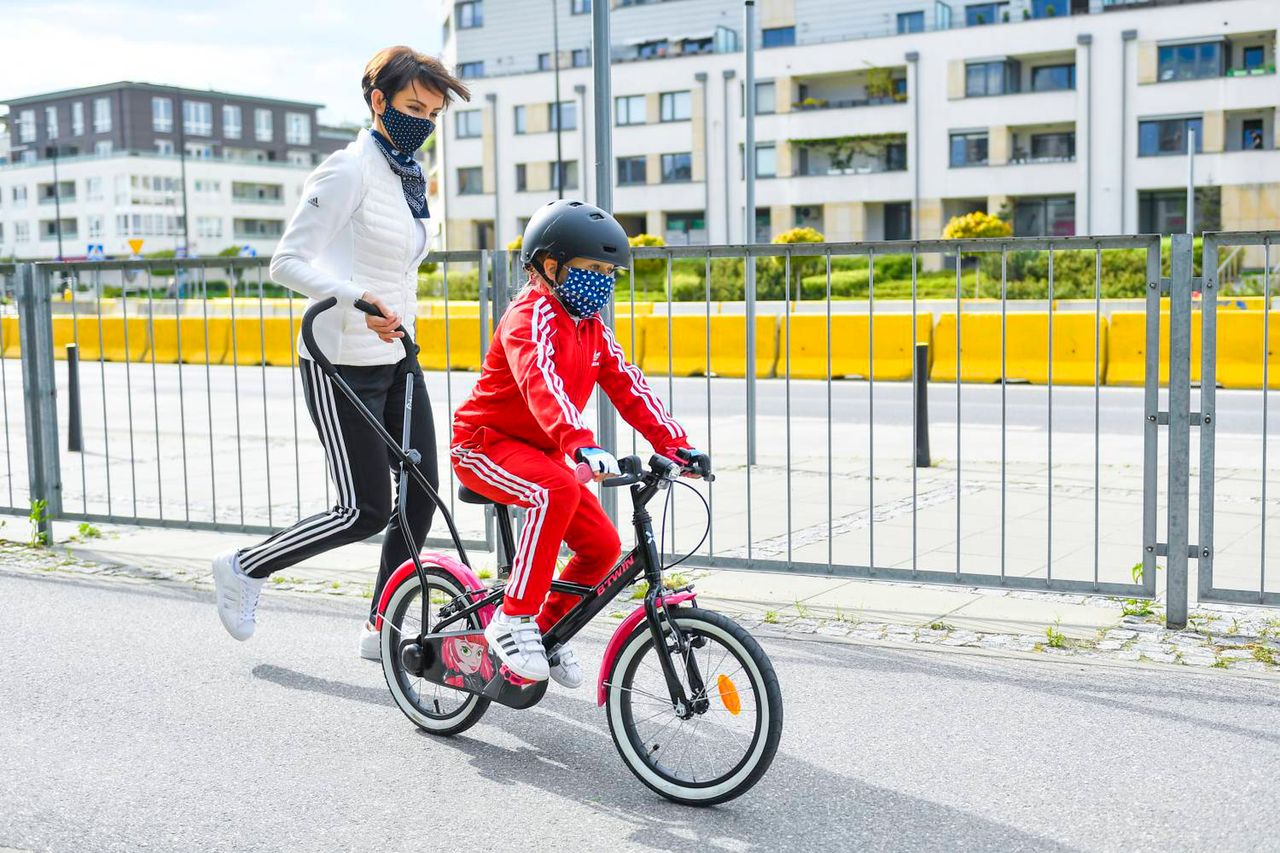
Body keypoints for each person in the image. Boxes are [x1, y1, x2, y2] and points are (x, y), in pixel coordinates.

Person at [210, 46, 470, 659]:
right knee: (366, 509)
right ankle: (243, 566)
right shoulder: (345, 170)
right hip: (339, 363)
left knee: (423, 492)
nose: (423, 123)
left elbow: (394, 263)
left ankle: (383, 626)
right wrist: (358, 300)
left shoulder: (410, 176)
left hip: (396, 356)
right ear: (378, 101)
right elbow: (286, 263)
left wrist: (393, 316)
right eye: (413, 107)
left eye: (433, 114)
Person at [450, 200, 710, 686]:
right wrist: (581, 444)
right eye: (591, 268)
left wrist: (676, 444)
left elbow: (629, 384)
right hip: (483, 446)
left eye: (610, 272)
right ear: (550, 266)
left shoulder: (591, 329)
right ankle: (513, 617)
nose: (603, 280)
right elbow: (539, 382)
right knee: (556, 489)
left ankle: (548, 635)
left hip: (542, 453)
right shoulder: (528, 316)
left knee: (603, 545)